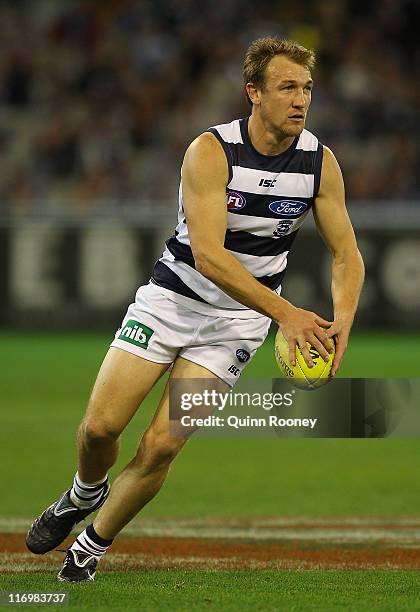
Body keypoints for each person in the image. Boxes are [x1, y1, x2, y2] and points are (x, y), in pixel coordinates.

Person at [26, 37, 364, 582]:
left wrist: (342, 318)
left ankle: (89, 546)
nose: (301, 99)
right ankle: (82, 492)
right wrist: (289, 314)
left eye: (306, 88)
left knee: (161, 447)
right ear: (253, 93)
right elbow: (209, 257)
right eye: (287, 88)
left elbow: (347, 254)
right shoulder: (210, 151)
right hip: (171, 302)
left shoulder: (320, 164)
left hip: (236, 325)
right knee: (98, 431)